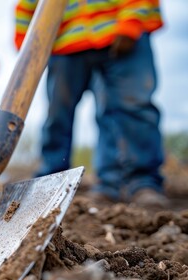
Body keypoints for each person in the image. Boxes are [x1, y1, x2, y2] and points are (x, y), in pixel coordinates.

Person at [15, 0, 167, 207]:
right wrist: (28, 45)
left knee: (131, 109)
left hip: (121, 30)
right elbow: (27, 7)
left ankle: (138, 182)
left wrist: (131, 21)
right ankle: (49, 185)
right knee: (57, 116)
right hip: (66, 42)